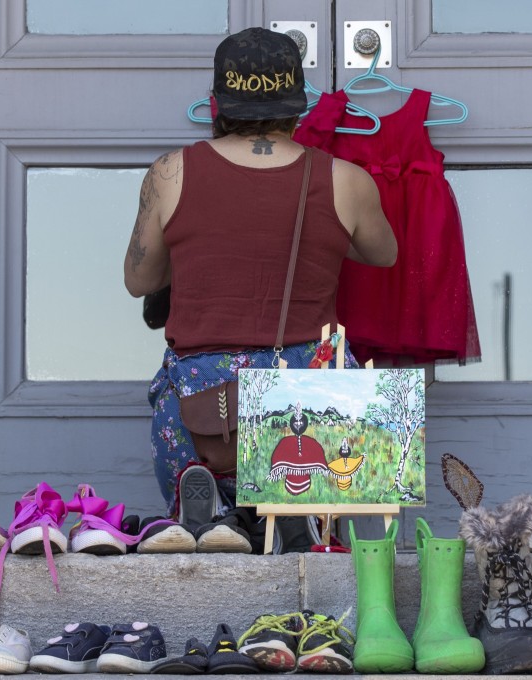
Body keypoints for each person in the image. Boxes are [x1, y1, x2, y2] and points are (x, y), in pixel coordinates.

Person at [123, 27, 397, 533]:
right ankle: (299, 521)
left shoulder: (170, 173)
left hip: (204, 396)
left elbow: (139, 280)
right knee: (311, 534)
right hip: (308, 387)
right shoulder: (346, 180)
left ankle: (210, 510)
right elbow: (384, 254)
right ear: (298, 105)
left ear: (217, 103)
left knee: (208, 549)